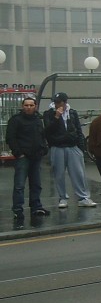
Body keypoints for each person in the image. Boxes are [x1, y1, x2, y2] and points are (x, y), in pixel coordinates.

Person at [43, 92, 97, 210]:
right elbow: (48, 130)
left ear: (64, 102)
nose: (57, 104)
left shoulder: (72, 113)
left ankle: (83, 198)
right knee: (59, 174)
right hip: (57, 147)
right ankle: (62, 197)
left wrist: (81, 147)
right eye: (55, 102)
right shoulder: (48, 114)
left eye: (59, 102)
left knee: (78, 173)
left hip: (73, 146)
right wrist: (57, 117)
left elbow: (78, 129)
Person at [6, 94, 50, 222]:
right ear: (22, 106)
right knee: (19, 185)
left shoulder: (38, 119)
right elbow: (10, 138)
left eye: (31, 105)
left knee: (36, 184)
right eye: (26, 105)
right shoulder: (16, 120)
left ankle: (36, 207)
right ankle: (18, 209)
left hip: (36, 156)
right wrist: (18, 153)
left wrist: (43, 148)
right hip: (23, 157)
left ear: (35, 106)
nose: (29, 107)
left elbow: (42, 135)